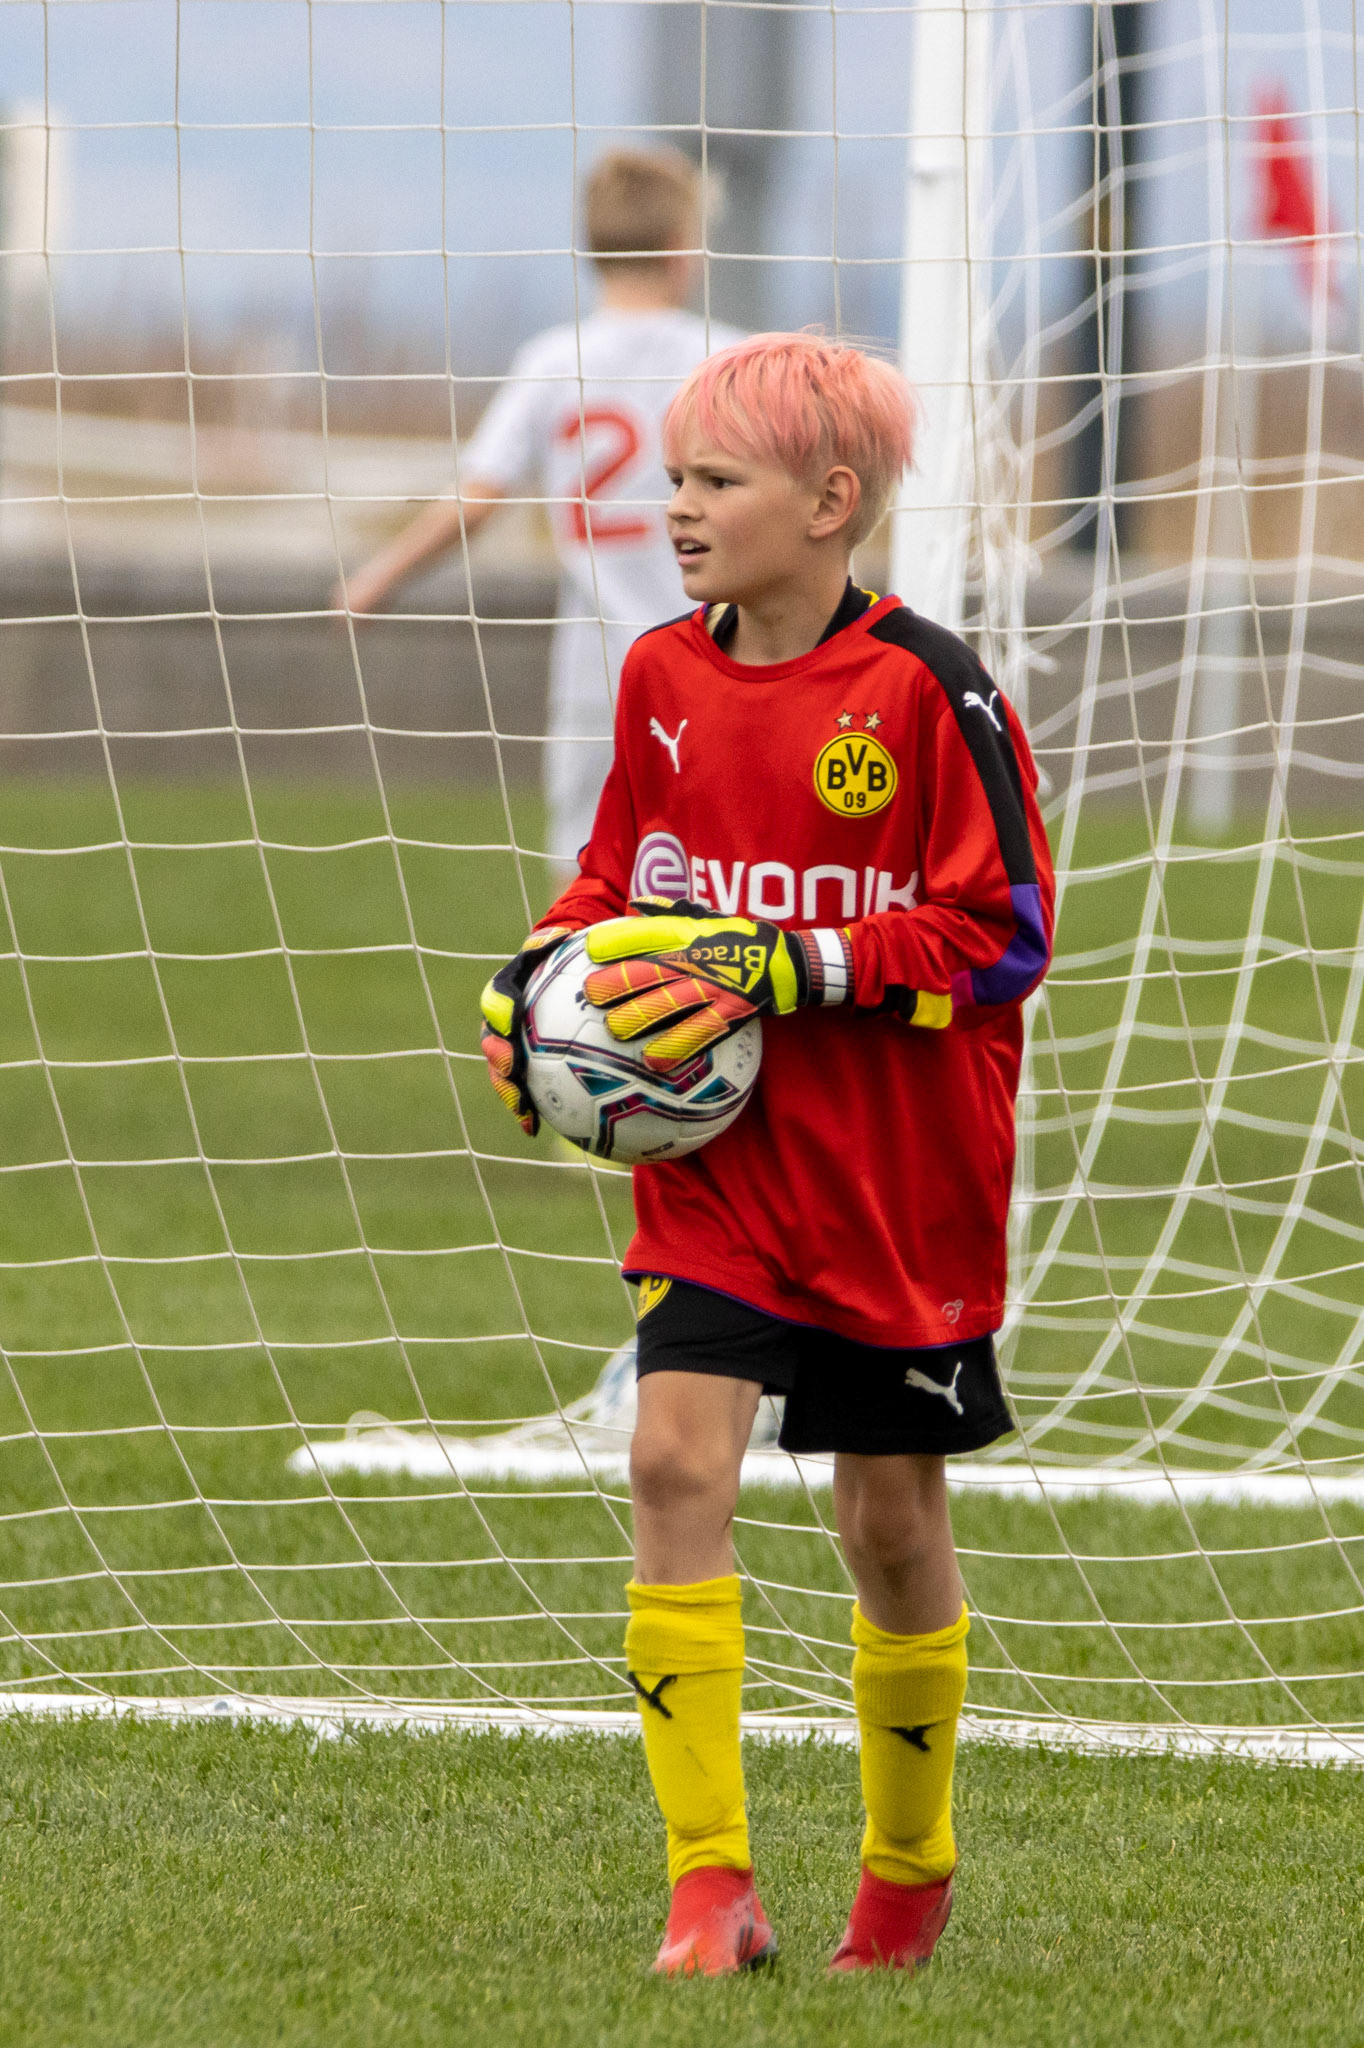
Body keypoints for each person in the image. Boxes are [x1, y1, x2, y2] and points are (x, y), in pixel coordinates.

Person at [478, 333, 1055, 1976]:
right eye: (674, 476)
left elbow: (1004, 937)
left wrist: (786, 963)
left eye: (712, 480)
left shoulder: (930, 690)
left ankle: (906, 1872)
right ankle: (707, 1884)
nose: (675, 507)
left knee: (887, 1522)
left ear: (828, 501)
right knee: (672, 1464)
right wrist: (544, 982)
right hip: (719, 1175)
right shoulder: (660, 675)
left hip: (895, 1184)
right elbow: (618, 879)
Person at [334, 147, 742, 877]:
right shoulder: (727, 360)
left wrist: (376, 578)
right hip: (723, 657)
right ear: (684, 248)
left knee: (584, 871)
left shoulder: (553, 361)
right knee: (730, 868)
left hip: (599, 672)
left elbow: (478, 498)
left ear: (591, 249)